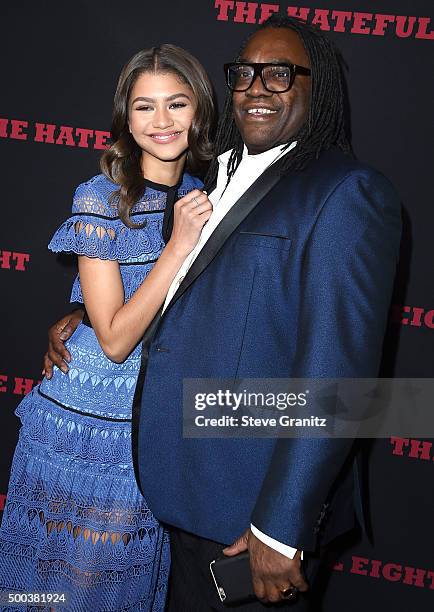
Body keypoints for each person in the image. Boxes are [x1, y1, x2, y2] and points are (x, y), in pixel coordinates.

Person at [44, 14, 402, 611]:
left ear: (321, 88)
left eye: (281, 74)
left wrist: (280, 527)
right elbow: (193, 295)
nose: (258, 87)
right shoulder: (209, 179)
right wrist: (84, 315)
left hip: (248, 512)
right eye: (245, 74)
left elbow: (339, 377)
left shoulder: (345, 193)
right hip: (175, 485)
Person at [0, 44, 215, 611]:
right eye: (145, 107)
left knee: (130, 584)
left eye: (177, 104)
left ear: (200, 112)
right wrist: (178, 245)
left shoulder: (208, 197)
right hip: (88, 425)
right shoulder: (100, 199)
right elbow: (116, 339)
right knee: (65, 589)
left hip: (158, 424)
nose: (162, 122)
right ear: (126, 116)